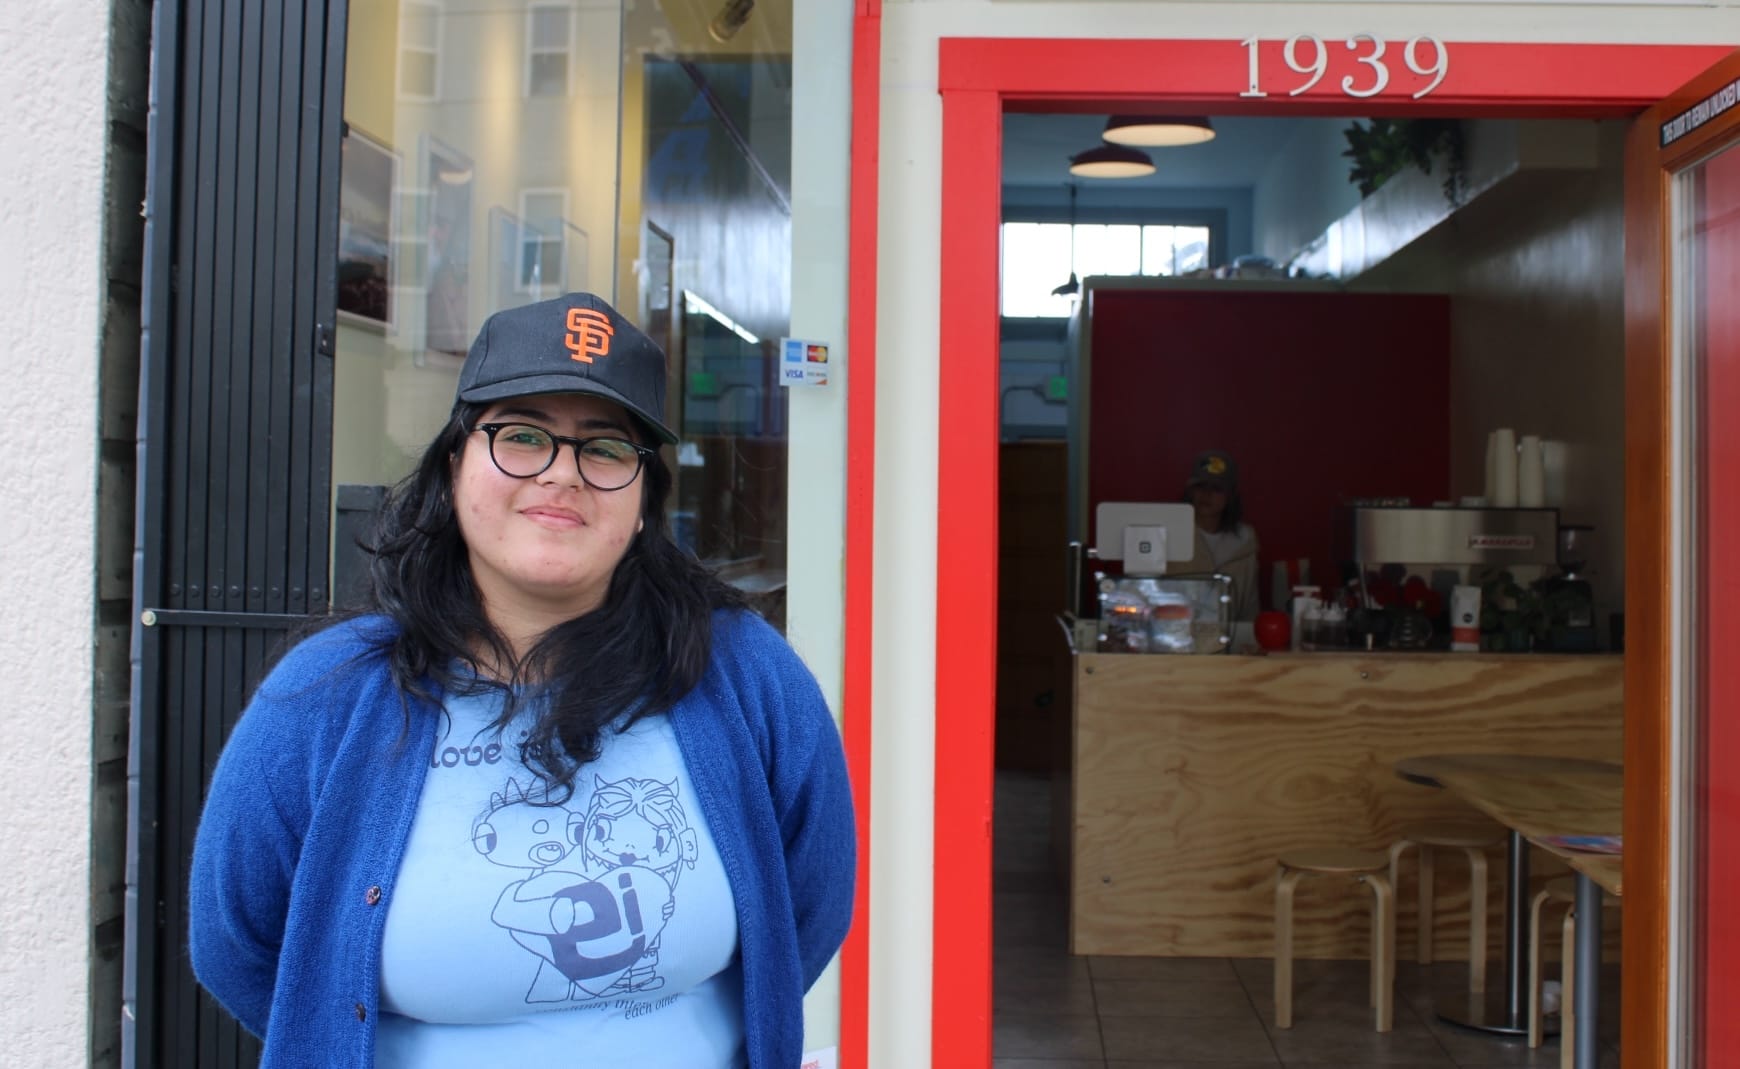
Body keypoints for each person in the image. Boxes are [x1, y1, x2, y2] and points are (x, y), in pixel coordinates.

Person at [188, 292, 856, 1069]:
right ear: (455, 464)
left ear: (644, 499)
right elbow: (238, 942)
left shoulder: (744, 672)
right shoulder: (328, 694)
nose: (561, 474)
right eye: (523, 436)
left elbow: (808, 900)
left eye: (605, 449)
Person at [1177, 449, 1261, 623]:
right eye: (1200, 486)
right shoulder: (1170, 533)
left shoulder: (1244, 542)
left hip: (1228, 641)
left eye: (1216, 488)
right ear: (1190, 491)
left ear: (1230, 496)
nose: (1206, 494)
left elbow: (1249, 605)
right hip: (1175, 637)